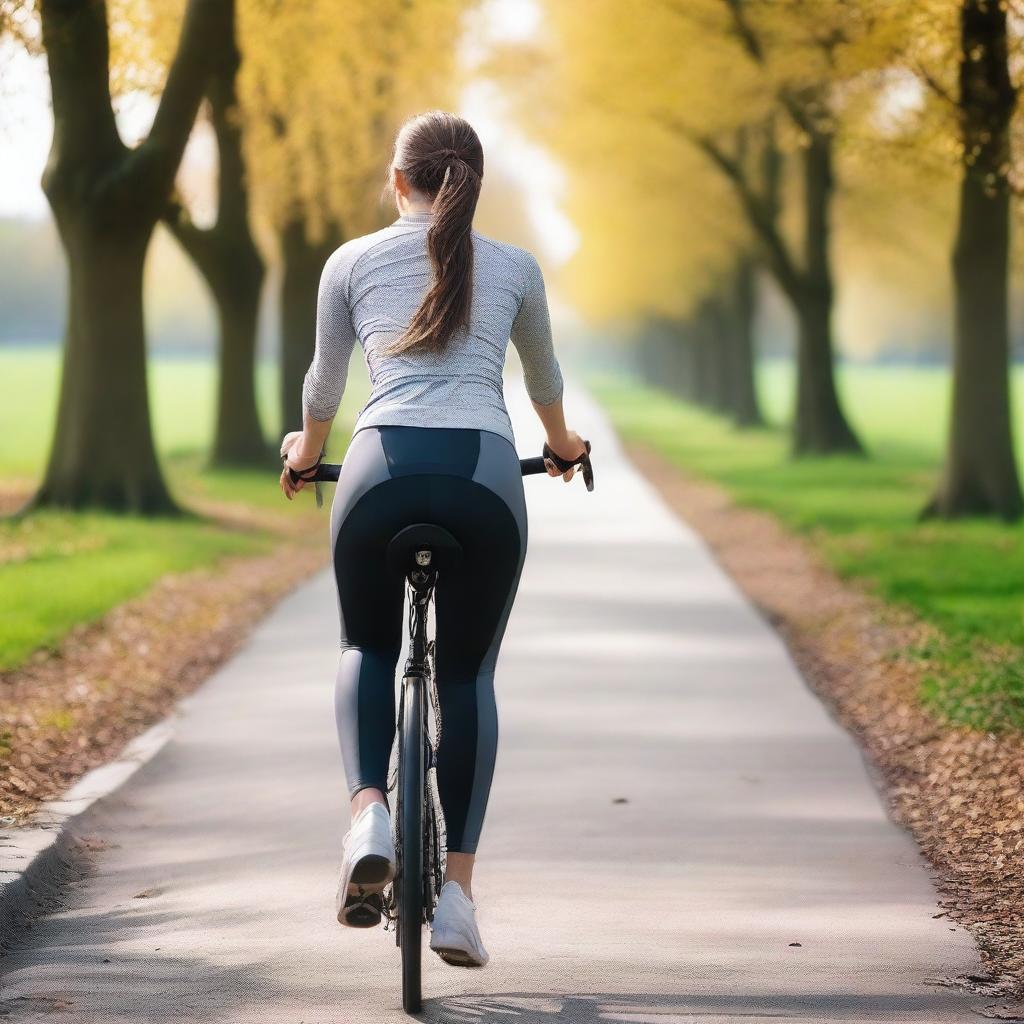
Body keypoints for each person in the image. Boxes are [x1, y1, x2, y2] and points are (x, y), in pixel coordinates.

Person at [278, 110, 587, 968]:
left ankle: (368, 812)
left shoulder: (350, 261)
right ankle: (456, 900)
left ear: (399, 180)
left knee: (366, 644)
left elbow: (323, 388)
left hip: (379, 473)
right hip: (486, 479)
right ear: (471, 184)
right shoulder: (516, 267)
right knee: (467, 674)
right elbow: (547, 384)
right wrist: (565, 452)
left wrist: (304, 457)